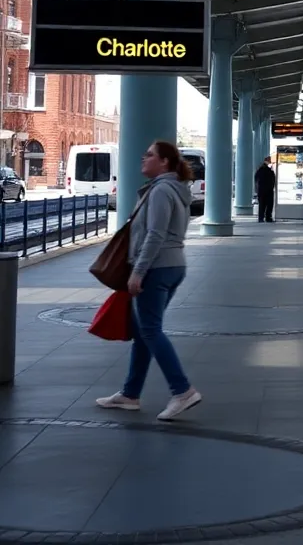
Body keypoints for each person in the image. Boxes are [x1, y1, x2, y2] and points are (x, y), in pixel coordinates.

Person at [96, 140, 202, 421]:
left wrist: (138, 271)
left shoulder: (161, 191)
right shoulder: (175, 189)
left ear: (164, 161)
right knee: (144, 332)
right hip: (173, 265)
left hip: (157, 268)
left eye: (150, 155)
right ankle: (130, 394)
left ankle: (182, 390)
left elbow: (155, 234)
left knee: (151, 331)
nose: (144, 158)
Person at [255, 155, 275, 222]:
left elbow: (256, 178)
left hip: (261, 190)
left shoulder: (260, 169)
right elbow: (272, 179)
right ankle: (268, 217)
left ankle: (261, 218)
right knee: (269, 204)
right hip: (268, 190)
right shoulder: (269, 170)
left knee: (262, 204)